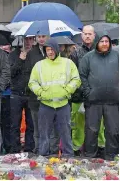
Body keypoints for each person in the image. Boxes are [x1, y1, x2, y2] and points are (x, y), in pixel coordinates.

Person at [28, 38, 81, 157]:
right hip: (46, 104)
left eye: (52, 49)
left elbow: (76, 79)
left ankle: (68, 157)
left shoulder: (68, 63)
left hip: (63, 104)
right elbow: (32, 82)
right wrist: (41, 93)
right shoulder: (39, 65)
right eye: (47, 50)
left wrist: (67, 91)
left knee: (65, 133)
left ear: (56, 50)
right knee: (44, 134)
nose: (50, 52)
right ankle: (44, 157)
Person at [79, 33, 119, 161]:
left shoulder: (116, 56)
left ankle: (111, 157)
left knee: (113, 131)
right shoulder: (88, 57)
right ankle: (90, 156)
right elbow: (82, 75)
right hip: (93, 101)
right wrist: (88, 92)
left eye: (107, 41)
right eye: (102, 41)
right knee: (92, 130)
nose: (104, 44)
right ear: (97, 42)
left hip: (113, 101)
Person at [69, 25, 105, 156]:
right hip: (79, 96)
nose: (88, 36)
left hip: (97, 95)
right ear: (81, 35)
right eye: (85, 33)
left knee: (98, 125)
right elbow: (73, 75)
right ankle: (76, 149)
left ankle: (100, 148)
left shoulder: (101, 52)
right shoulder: (75, 54)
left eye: (90, 34)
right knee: (77, 126)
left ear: (94, 35)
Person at [26, 34, 60, 154]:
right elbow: (28, 74)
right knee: (38, 128)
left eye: (43, 36)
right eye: (38, 36)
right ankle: (39, 150)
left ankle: (53, 151)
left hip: (53, 99)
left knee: (53, 130)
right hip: (36, 98)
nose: (41, 39)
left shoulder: (56, 55)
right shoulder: (31, 54)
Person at [8, 36, 35, 153]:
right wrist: (20, 60)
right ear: (21, 40)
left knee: (31, 124)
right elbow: (10, 73)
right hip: (16, 94)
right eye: (26, 39)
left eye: (31, 39)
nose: (28, 42)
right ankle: (15, 149)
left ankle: (29, 148)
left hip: (31, 94)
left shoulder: (36, 54)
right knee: (15, 123)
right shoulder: (13, 54)